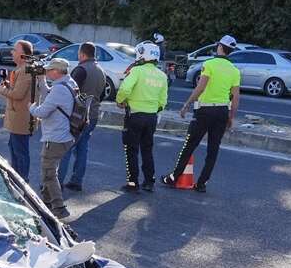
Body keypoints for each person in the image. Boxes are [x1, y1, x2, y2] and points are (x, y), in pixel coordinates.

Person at [162, 34, 241, 192]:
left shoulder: (209, 64)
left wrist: (187, 104)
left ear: (220, 47)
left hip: (205, 110)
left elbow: (201, 87)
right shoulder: (235, 70)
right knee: (213, 149)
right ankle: (202, 183)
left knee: (190, 144)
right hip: (222, 111)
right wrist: (231, 117)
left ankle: (173, 177)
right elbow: (236, 97)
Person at [115, 41, 169, 192]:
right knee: (147, 149)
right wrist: (154, 108)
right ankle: (149, 181)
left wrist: (120, 101)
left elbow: (125, 89)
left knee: (131, 149)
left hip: (134, 115)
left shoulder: (137, 71)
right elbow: (163, 101)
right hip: (152, 117)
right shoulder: (162, 75)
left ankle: (133, 183)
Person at [28, 57, 77, 219]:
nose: (47, 72)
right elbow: (49, 96)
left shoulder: (59, 89)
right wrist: (42, 80)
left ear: (56, 71)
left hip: (55, 137)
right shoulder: (69, 83)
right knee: (48, 171)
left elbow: (42, 112)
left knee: (49, 173)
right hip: (66, 135)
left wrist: (31, 108)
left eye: (49, 70)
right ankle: (46, 202)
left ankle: (59, 207)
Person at [58, 42, 105, 192]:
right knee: (82, 148)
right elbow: (101, 94)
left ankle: (57, 182)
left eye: (79, 54)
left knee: (65, 148)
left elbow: (69, 92)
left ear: (82, 54)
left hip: (78, 115)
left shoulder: (81, 70)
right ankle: (77, 180)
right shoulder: (101, 70)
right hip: (93, 114)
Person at [0, 40, 46, 180]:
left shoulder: (25, 70)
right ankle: (17, 178)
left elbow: (18, 95)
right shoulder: (25, 68)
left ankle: (22, 181)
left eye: (15, 50)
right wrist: (8, 85)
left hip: (20, 119)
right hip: (19, 118)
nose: (12, 52)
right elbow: (19, 90)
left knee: (20, 152)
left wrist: (2, 89)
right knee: (15, 148)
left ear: (23, 55)